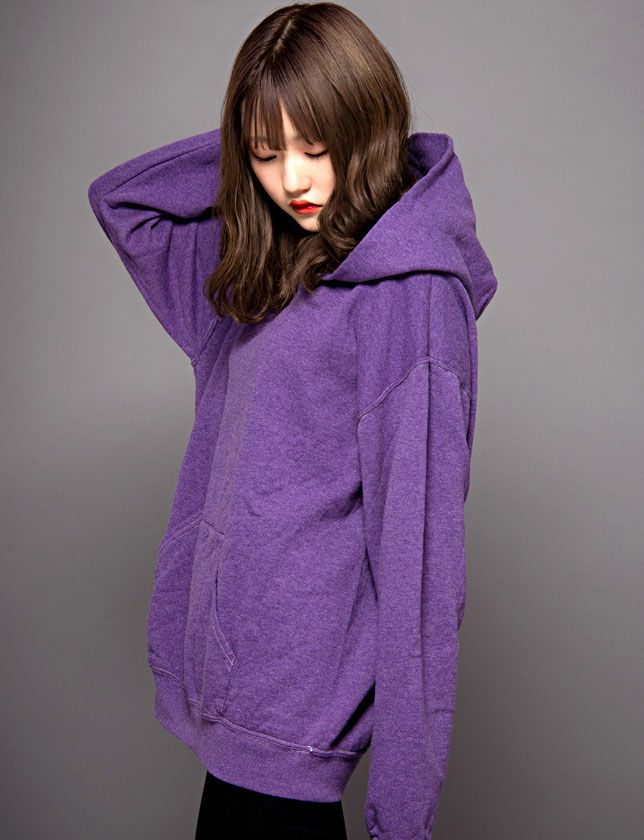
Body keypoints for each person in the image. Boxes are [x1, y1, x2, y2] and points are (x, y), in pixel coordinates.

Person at [87, 3, 498, 838]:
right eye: (267, 154)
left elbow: (422, 569)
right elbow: (124, 202)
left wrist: (402, 820)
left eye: (318, 146)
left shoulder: (411, 298)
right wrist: (256, 137)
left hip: (297, 727)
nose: (295, 182)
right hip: (237, 710)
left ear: (366, 129)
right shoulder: (266, 273)